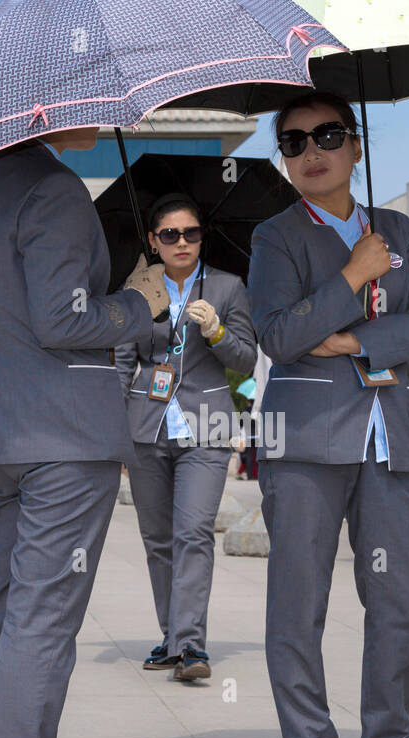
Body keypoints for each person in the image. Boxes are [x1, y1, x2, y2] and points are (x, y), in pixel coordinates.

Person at [0, 128, 174, 738]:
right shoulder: (54, 190)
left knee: (6, 613)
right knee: (42, 624)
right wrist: (141, 302)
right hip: (64, 437)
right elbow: (64, 320)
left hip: (2, 434)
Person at [248, 90, 409, 738]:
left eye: (327, 135)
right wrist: (352, 278)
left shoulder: (397, 226)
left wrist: (356, 340)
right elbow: (277, 334)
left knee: (400, 597)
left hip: (392, 438)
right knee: (299, 605)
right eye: (294, 141)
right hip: (305, 443)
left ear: (356, 145)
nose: (311, 152)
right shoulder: (275, 237)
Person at [115, 194, 258, 681]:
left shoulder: (227, 286)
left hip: (207, 426)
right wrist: (114, 428)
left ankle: (191, 645)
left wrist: (217, 331)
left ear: (202, 237)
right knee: (158, 539)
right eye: (170, 234)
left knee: (193, 532)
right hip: (146, 425)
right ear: (154, 241)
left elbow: (245, 359)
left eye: (191, 233)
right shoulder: (138, 288)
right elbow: (122, 360)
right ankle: (172, 637)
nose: (182, 242)